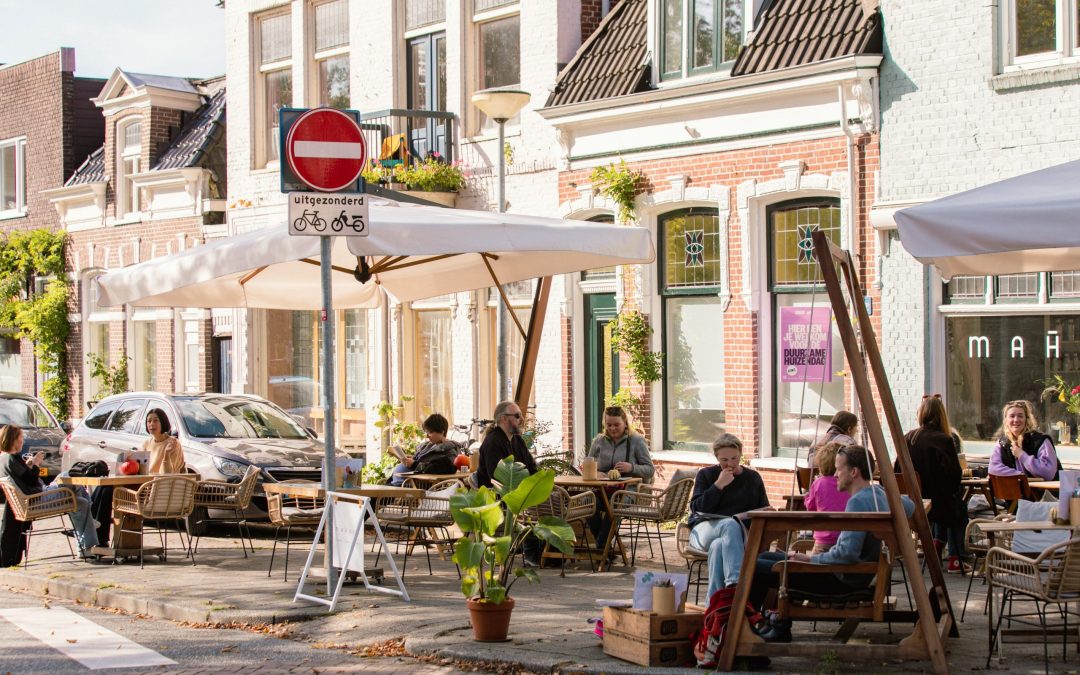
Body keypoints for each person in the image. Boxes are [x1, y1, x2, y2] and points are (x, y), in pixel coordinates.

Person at [751, 445, 915, 642]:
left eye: (839, 469)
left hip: (840, 580)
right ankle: (776, 624)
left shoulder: (857, 503)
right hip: (856, 574)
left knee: (753, 566)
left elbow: (846, 554)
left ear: (854, 472)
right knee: (765, 557)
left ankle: (750, 628)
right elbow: (910, 505)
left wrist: (810, 559)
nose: (835, 474)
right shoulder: (878, 492)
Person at [688, 433, 770, 601]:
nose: (730, 464)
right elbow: (697, 508)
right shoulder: (706, 475)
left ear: (740, 453)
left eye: (734, 458)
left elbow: (763, 510)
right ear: (716, 457)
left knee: (719, 546)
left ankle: (715, 605)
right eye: (724, 460)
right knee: (729, 524)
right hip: (705, 530)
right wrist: (718, 485)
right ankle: (736, 583)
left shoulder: (752, 478)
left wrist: (741, 517)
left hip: (736, 538)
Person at [0, 424, 98, 560]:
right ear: (14, 440)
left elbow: (23, 478)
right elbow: (32, 480)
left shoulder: (3, 459)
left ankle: (86, 548)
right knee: (70, 477)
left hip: (35, 497)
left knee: (80, 502)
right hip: (38, 499)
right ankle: (91, 520)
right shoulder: (12, 458)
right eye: (21, 437)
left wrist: (28, 465)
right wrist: (36, 464)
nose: (22, 440)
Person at [899, 395, 968, 573]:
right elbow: (953, 475)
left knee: (947, 501)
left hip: (913, 502)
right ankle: (955, 558)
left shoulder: (908, 437)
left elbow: (897, 470)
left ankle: (937, 543)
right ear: (942, 415)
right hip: (937, 504)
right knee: (957, 505)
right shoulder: (944, 439)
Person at [475, 400, 541, 565]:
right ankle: (534, 552)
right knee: (544, 506)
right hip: (499, 498)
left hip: (519, 493)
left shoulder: (517, 440)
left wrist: (542, 481)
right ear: (504, 419)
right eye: (517, 416)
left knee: (554, 499)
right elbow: (496, 478)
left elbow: (532, 467)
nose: (521, 419)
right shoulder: (493, 443)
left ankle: (546, 553)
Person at [586, 406, 654, 550]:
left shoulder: (636, 441)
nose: (612, 428)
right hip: (602, 489)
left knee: (615, 503)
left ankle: (601, 548)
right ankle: (604, 548)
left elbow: (650, 470)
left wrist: (632, 468)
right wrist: (597, 473)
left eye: (616, 424)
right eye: (609, 424)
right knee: (587, 502)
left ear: (625, 423)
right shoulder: (599, 441)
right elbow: (588, 465)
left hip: (630, 491)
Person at [989, 399, 1061, 481]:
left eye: (1020, 416)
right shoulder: (1002, 443)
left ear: (1027, 419)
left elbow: (1048, 473)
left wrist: (1022, 455)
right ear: (1006, 420)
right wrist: (1020, 475)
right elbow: (993, 469)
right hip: (1014, 492)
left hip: (1043, 492)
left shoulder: (1040, 440)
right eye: (1012, 416)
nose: (1016, 420)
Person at [388, 413, 463, 486]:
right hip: (399, 482)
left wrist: (414, 464)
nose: (427, 436)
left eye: (430, 432)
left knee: (381, 495)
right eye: (426, 432)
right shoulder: (427, 446)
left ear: (442, 432)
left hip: (414, 486)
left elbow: (438, 468)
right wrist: (410, 459)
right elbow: (420, 461)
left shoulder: (449, 451)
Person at [802, 441, 850, 554]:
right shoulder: (848, 483)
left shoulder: (819, 483)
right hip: (845, 537)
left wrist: (807, 497)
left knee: (814, 565)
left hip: (823, 539)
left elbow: (811, 507)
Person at [143, 408, 185, 475]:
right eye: (149, 421)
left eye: (155, 420)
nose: (151, 424)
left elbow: (168, 475)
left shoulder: (173, 443)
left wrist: (166, 455)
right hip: (146, 483)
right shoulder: (146, 443)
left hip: (163, 483)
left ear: (163, 422)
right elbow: (142, 470)